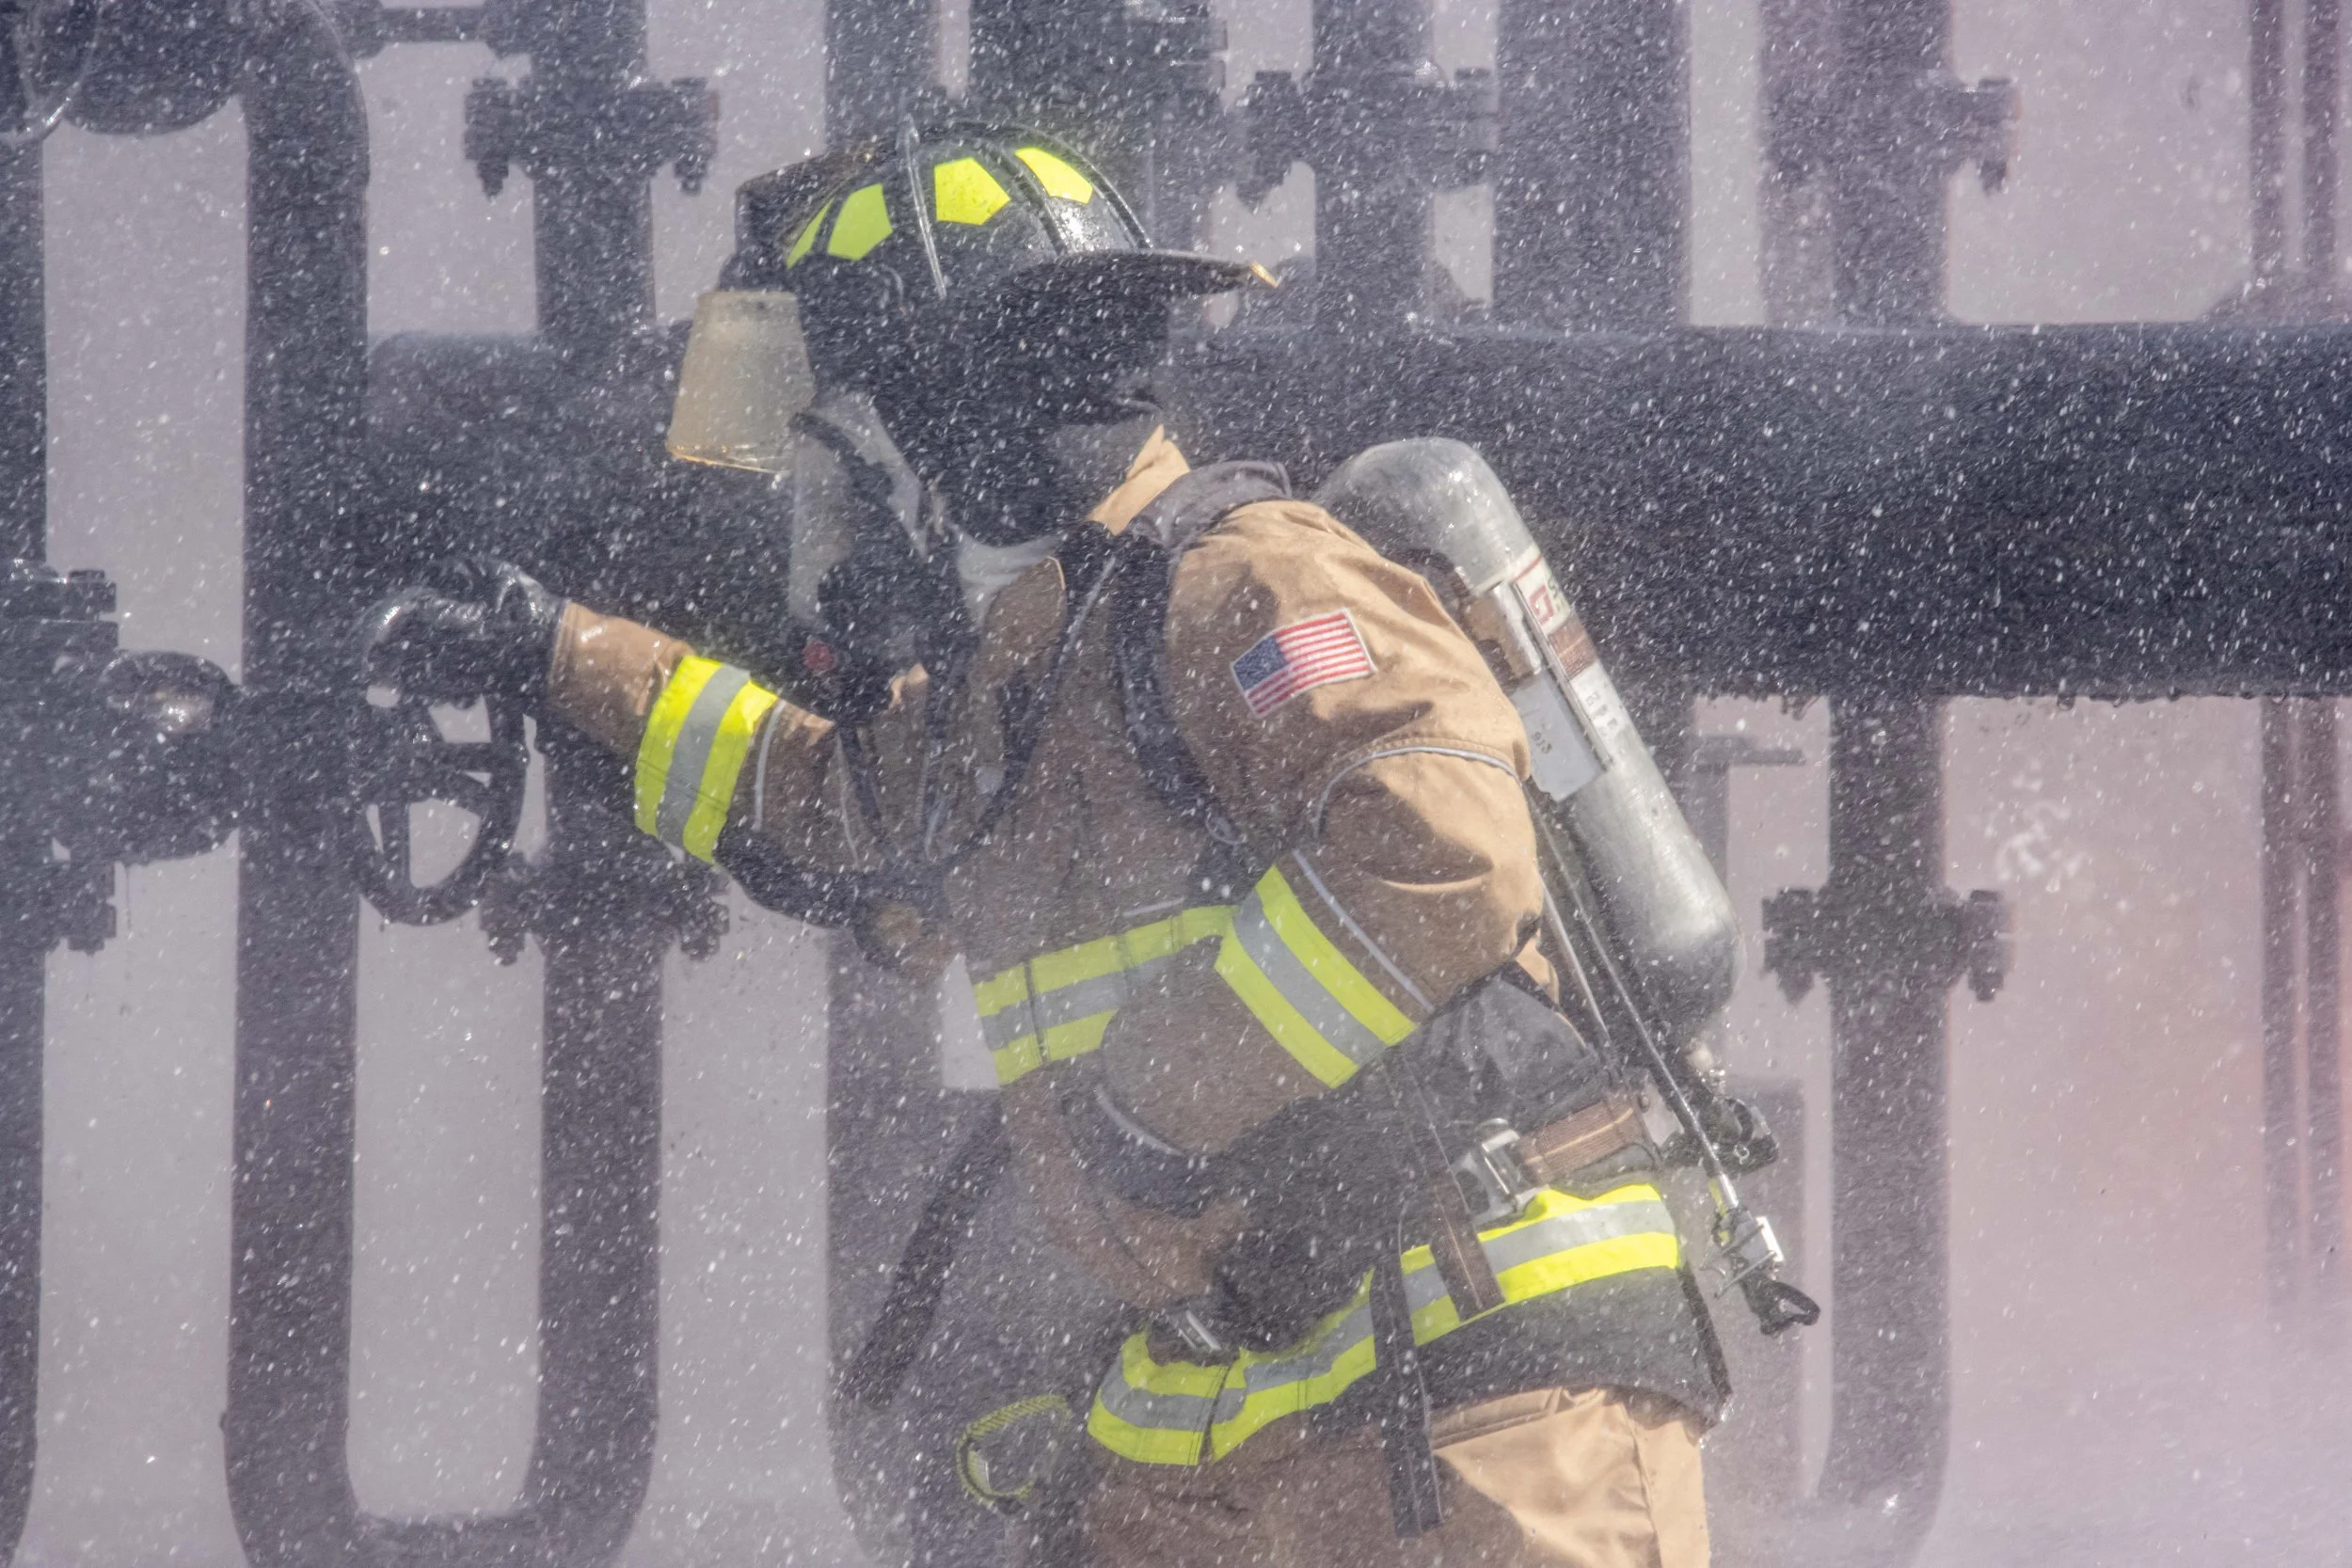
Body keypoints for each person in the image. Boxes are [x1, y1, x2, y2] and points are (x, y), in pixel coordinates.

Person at [365, 122, 1725, 1568]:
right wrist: (557, 654)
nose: (819, 518)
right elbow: (818, 800)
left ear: (947, 425)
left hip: (1479, 1386)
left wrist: (1158, 1096)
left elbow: (1438, 850)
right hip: (1234, 1398)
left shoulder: (1247, 581)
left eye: (833, 454)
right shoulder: (1026, 669)